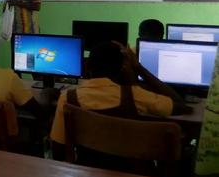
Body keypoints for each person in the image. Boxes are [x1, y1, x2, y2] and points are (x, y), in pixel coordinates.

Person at [50, 41, 190, 160]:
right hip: (135, 172)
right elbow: (181, 106)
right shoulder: (135, 95)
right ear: (121, 69)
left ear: (87, 67)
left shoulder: (68, 97)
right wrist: (138, 67)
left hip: (88, 170)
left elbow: (58, 146)